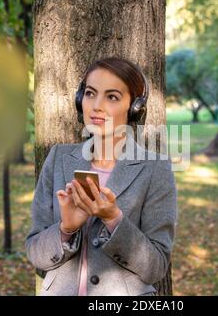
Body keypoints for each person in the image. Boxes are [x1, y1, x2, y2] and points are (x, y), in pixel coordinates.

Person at [25, 57, 177, 296]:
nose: (96, 105)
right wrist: (66, 228)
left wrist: (114, 219)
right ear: (79, 100)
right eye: (90, 93)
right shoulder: (58, 158)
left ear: (135, 108)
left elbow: (156, 267)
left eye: (112, 97)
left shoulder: (155, 169)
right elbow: (35, 252)